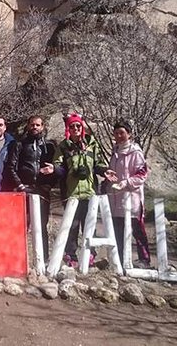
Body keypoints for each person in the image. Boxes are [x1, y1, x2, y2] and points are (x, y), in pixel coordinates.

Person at [50, 112, 116, 268]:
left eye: (78, 126)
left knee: (89, 224)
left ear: (82, 127)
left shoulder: (92, 144)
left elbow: (98, 164)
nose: (75, 129)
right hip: (71, 192)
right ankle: (70, 254)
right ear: (69, 128)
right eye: (72, 126)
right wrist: (54, 169)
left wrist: (104, 171)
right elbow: (59, 167)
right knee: (72, 226)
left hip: (90, 192)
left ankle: (90, 254)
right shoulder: (63, 146)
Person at [6, 115, 57, 260]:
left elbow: (56, 168)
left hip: (42, 190)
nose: (35, 127)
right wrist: (20, 185)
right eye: (32, 125)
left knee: (42, 225)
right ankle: (18, 258)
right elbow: (11, 166)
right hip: (24, 190)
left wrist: (48, 186)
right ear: (28, 126)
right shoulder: (20, 144)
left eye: (38, 125)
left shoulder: (49, 146)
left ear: (43, 126)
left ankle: (43, 258)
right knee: (21, 225)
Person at [107, 120, 150, 268]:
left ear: (129, 134)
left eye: (122, 133)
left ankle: (144, 260)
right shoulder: (115, 152)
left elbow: (142, 175)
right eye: (116, 133)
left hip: (133, 198)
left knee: (137, 230)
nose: (119, 136)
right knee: (118, 229)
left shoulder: (136, 152)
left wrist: (126, 183)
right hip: (116, 197)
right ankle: (120, 259)